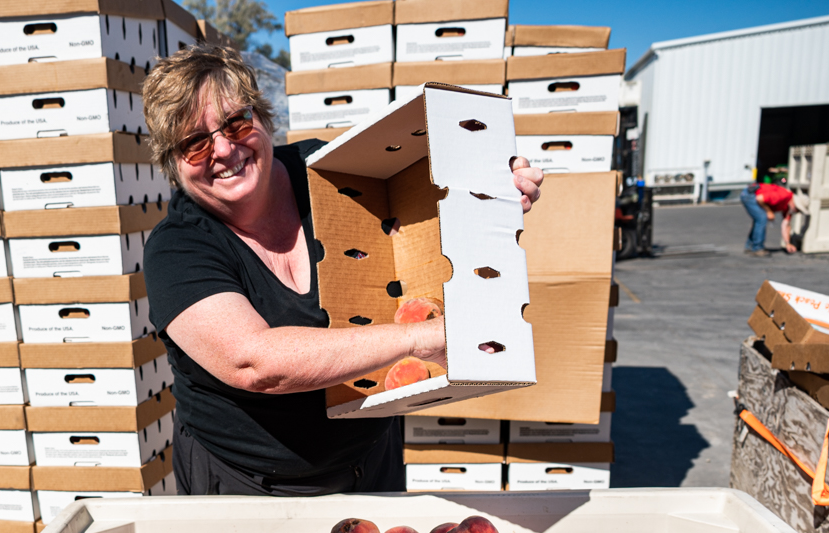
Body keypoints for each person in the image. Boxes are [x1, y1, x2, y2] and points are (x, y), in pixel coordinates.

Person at [140, 46, 544, 496]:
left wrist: (488, 194)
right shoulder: (177, 248)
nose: (224, 148)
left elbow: (413, 227)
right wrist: (420, 337)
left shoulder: (332, 176)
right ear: (172, 164)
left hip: (371, 460)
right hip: (249, 482)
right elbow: (253, 363)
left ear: (262, 117)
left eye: (236, 122)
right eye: (195, 144)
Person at [741, 179, 800, 256]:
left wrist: (787, 243)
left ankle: (750, 246)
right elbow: (760, 198)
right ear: (794, 204)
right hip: (749, 194)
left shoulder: (789, 207)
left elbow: (786, 225)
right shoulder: (783, 195)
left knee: (759, 220)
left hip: (752, 193)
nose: (796, 212)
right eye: (798, 209)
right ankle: (757, 248)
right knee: (762, 218)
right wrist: (769, 211)